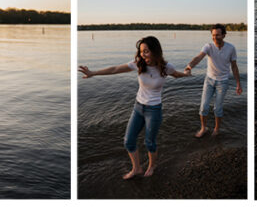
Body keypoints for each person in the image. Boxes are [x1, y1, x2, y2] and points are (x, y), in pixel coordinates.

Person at [78, 36, 187, 179]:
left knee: (150, 142)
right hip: (138, 107)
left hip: (154, 110)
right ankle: (136, 168)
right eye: (141, 51)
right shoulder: (139, 64)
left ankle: (152, 165)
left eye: (146, 51)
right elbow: (115, 69)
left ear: (155, 51)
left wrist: (186, 74)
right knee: (128, 141)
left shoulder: (166, 67)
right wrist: (93, 73)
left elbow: (177, 75)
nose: (143, 55)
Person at [184, 24, 243, 138]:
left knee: (218, 108)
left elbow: (234, 67)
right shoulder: (208, 47)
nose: (215, 37)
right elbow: (198, 57)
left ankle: (216, 129)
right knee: (204, 107)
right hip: (209, 80)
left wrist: (238, 84)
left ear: (224, 35)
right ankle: (203, 128)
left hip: (223, 81)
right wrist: (189, 67)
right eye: (213, 35)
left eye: (218, 35)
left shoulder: (231, 48)